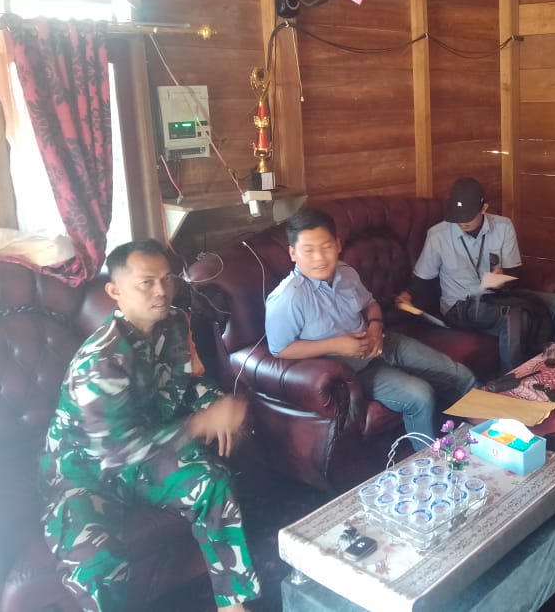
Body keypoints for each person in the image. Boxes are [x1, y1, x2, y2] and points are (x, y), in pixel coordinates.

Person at [39, 239, 260, 612]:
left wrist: (215, 402)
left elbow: (185, 382)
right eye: (146, 282)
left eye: (166, 279)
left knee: (211, 480)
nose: (161, 291)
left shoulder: (171, 323)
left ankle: (232, 604)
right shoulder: (101, 360)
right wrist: (201, 423)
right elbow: (117, 450)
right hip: (86, 472)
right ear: (115, 291)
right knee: (93, 557)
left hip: (147, 455)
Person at [265, 207, 478, 441]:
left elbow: (370, 304)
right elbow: (280, 349)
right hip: (351, 369)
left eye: (326, 247)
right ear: (293, 253)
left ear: (337, 244)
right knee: (420, 395)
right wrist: (335, 345)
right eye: (308, 250)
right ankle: (433, 459)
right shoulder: (288, 297)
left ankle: (486, 436)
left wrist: (375, 326)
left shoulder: (345, 272)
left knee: (460, 373)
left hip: (383, 342)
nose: (319, 258)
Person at [398, 177, 555, 371]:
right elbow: (423, 278)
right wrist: (407, 294)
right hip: (460, 305)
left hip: (500, 297)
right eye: (457, 216)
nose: (461, 222)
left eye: (467, 216)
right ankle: (510, 379)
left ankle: (552, 368)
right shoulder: (437, 235)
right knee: (515, 317)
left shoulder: (503, 227)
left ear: (484, 208)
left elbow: (514, 275)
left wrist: (503, 277)